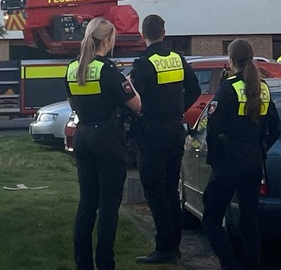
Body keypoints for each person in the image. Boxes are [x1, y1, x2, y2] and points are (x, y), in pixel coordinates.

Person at [66, 17, 143, 270]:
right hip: (108, 138)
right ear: (108, 40)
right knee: (109, 206)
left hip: (83, 135)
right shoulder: (108, 70)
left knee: (87, 203)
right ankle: (105, 264)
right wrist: (129, 84)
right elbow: (135, 105)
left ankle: (83, 264)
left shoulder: (72, 68)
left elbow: (73, 104)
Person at [202, 39, 281, 270]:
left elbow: (213, 129)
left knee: (211, 218)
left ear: (231, 60)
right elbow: (276, 128)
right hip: (254, 161)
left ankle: (229, 264)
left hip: (229, 162)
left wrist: (214, 161)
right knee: (249, 221)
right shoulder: (263, 87)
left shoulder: (228, 88)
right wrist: (261, 148)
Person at [130, 14, 202, 264]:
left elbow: (132, 99)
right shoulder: (178, 59)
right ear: (164, 32)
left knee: (154, 189)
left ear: (143, 35)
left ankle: (164, 247)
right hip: (175, 129)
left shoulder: (143, 63)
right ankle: (175, 245)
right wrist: (178, 109)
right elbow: (195, 89)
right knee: (171, 189)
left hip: (152, 131)